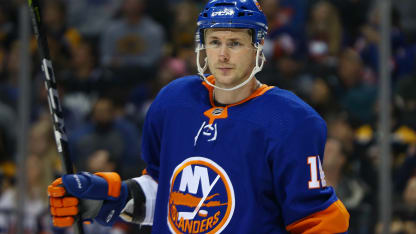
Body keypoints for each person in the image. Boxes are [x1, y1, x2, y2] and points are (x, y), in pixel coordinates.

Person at [48, 0, 350, 233]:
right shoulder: (174, 101)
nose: (223, 55)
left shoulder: (292, 121)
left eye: (235, 43)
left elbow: (320, 221)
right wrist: (112, 196)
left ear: (257, 48)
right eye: (215, 41)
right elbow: (167, 194)